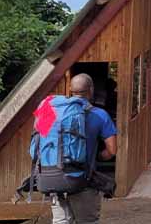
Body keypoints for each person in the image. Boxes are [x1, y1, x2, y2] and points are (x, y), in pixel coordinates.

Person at [53, 73, 118, 224]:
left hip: (55, 179)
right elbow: (112, 150)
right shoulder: (100, 115)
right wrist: (98, 157)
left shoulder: (55, 113)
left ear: (70, 90)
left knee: (61, 221)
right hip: (83, 180)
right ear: (91, 90)